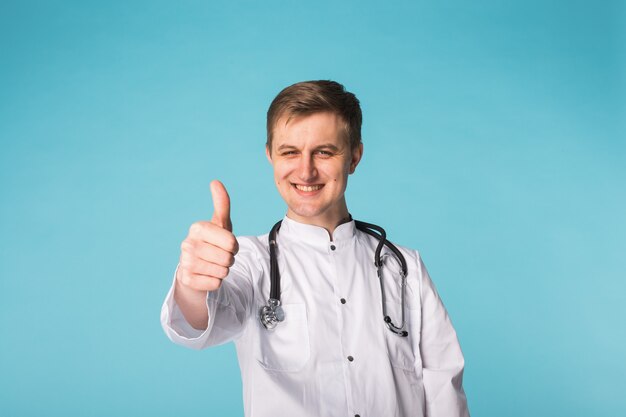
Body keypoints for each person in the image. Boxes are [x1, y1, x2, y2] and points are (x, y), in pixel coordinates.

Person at [161, 80, 470, 417]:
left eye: (324, 152)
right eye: (289, 152)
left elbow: (444, 394)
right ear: (270, 157)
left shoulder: (405, 268)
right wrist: (192, 286)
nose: (305, 171)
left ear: (354, 157)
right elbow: (196, 324)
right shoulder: (249, 262)